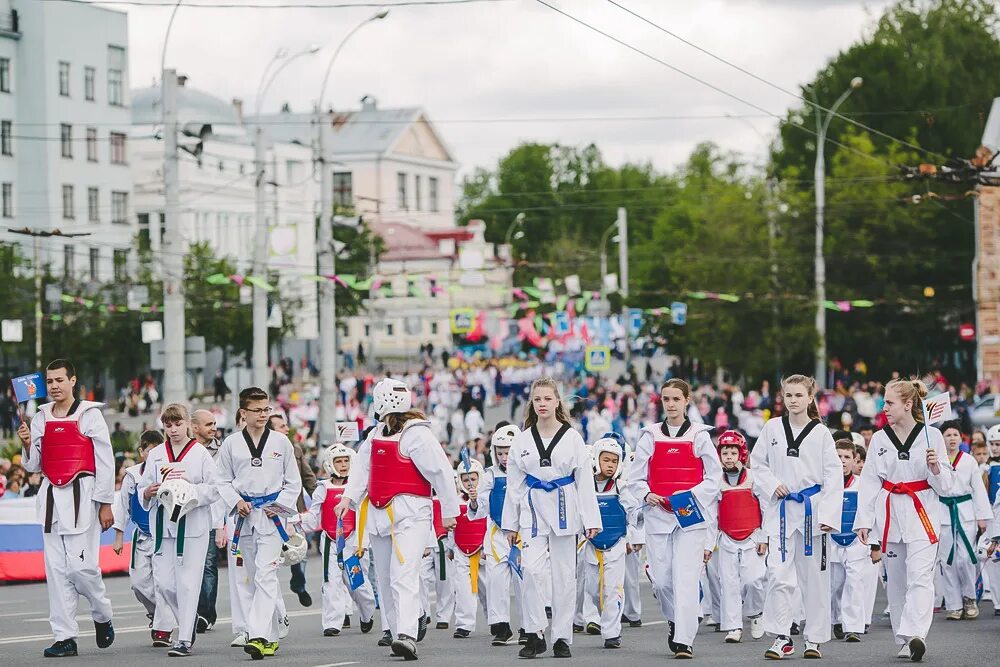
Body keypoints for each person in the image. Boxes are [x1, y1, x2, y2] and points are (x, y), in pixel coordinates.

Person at [335, 377, 461, 661]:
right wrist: (348, 498)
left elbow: (441, 472)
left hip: (411, 514)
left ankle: (407, 634)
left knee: (403, 574)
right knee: (385, 576)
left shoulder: (418, 435)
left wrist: (450, 511)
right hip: (379, 513)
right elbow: (362, 468)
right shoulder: (376, 432)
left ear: (383, 402)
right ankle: (393, 630)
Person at [17, 359, 116, 658]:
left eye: (60, 380)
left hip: (82, 496)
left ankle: (102, 613)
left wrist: (106, 503)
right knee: (57, 572)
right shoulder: (40, 417)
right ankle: (65, 636)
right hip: (50, 499)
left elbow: (105, 461)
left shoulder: (90, 415)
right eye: (50, 381)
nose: (54, 386)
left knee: (81, 568)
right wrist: (25, 444)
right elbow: (34, 465)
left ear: (73, 381)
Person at [854, 379, 954, 662]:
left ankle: (916, 634)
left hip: (922, 515)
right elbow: (870, 484)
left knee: (921, 577)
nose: (884, 408)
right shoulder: (880, 439)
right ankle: (903, 637)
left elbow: (946, 486)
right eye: (884, 402)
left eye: (889, 403)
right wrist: (864, 522)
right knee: (896, 582)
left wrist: (935, 467)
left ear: (908, 405)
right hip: (890, 516)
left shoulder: (932, 436)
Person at [502, 376, 602, 659]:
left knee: (564, 577)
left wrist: (590, 519)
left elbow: (584, 481)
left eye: (547, 398)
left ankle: (561, 636)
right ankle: (534, 633)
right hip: (532, 511)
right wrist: (510, 523)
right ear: (531, 404)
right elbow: (514, 484)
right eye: (537, 399)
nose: (542, 404)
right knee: (531, 572)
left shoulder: (572, 437)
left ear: (557, 401)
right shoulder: (522, 439)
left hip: (564, 506)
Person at [626, 378, 721, 659]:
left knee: (686, 577)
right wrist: (646, 495)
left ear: (686, 400)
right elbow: (635, 478)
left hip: (689, 513)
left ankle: (684, 640)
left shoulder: (700, 435)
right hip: (658, 514)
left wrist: (688, 496)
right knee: (662, 581)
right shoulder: (650, 435)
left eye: (676, 399)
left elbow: (713, 478)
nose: (671, 404)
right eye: (666, 399)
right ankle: (674, 619)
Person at [750, 374, 843, 660]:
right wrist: (769, 484)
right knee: (778, 575)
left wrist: (829, 513)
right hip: (781, 510)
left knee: (814, 577)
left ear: (810, 398)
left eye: (799, 395)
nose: (793, 400)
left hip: (812, 511)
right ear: (782, 397)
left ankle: (813, 639)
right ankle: (782, 636)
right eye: (788, 395)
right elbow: (757, 463)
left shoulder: (821, 433)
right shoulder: (772, 428)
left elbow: (833, 474)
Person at [216, 387, 303, 660]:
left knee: (266, 574)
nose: (264, 414)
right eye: (258, 410)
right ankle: (271, 637)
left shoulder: (280, 442)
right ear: (243, 412)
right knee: (255, 578)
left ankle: (256, 635)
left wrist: (278, 507)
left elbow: (294, 483)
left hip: (272, 515)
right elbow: (221, 480)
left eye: (267, 409)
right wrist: (235, 501)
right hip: (244, 515)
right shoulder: (231, 444)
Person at [137, 403, 220, 657]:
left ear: (187, 425)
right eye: (168, 425)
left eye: (178, 424)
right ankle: (188, 619)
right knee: (164, 584)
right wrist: (148, 492)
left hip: (193, 526)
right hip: (164, 526)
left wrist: (189, 491)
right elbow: (143, 490)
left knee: (187, 583)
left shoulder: (200, 454)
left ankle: (184, 638)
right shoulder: (156, 454)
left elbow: (215, 488)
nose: (173, 430)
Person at [297, 443, 376, 636]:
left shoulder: (358, 487)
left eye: (346, 460)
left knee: (356, 583)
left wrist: (363, 542)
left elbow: (366, 515)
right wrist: (295, 520)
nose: (343, 465)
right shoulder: (322, 488)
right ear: (330, 464)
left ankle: (367, 614)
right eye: (338, 461)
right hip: (330, 540)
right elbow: (313, 516)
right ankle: (332, 623)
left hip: (353, 540)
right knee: (330, 581)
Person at [111, 430, 173, 646]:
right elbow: (123, 508)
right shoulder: (133, 475)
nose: (155, 454)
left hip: (163, 536)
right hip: (141, 536)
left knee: (163, 583)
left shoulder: (169, 473)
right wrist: (119, 537)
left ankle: (162, 629)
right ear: (141, 452)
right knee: (139, 584)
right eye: (150, 451)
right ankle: (157, 613)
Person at [467, 424, 523, 646]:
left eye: (508, 452)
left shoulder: (527, 474)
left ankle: (529, 626)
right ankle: (501, 627)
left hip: (522, 535)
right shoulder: (489, 475)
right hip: (497, 534)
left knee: (524, 582)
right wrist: (473, 498)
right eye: (500, 452)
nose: (504, 457)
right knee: (496, 582)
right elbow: (481, 507)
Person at [712, 430, 766, 644]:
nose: (729, 457)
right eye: (725, 453)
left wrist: (764, 537)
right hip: (726, 538)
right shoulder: (716, 480)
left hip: (752, 536)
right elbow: (711, 512)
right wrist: (709, 544)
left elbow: (766, 508)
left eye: (733, 453)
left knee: (754, 580)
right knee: (729, 583)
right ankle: (733, 626)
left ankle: (756, 613)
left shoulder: (753, 478)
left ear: (742, 454)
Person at [937, 420, 991, 620]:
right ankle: (953, 604)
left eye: (955, 435)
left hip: (965, 511)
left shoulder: (969, 461)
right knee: (947, 560)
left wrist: (983, 517)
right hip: (943, 512)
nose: (951, 438)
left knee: (966, 558)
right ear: (941, 438)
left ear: (961, 438)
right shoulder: (938, 461)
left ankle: (969, 597)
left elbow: (978, 489)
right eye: (948, 435)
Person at [829, 438, 879, 643]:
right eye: (838, 457)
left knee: (855, 583)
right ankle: (836, 620)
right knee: (834, 585)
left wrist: (875, 544)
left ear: (855, 459)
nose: (842, 461)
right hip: (832, 541)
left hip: (857, 541)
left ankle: (854, 627)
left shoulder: (863, 485)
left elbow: (872, 514)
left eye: (846, 457)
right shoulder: (826, 484)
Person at [583, 437, 630, 649]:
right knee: (593, 589)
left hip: (617, 543)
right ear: (596, 459)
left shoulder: (621, 487)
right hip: (591, 545)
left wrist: (634, 539)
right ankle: (598, 616)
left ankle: (612, 633)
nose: (610, 465)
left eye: (614, 461)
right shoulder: (584, 486)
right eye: (606, 460)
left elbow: (633, 513)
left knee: (613, 589)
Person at [269, 412, 317, 608]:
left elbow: (308, 477)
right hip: (269, 510)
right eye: (281, 426)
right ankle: (270, 596)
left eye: (286, 425)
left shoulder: (295, 449)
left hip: (294, 510)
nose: (287, 429)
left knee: (299, 550)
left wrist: (320, 498)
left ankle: (299, 584)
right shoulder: (263, 453)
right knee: (271, 554)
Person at [191, 409, 226, 635]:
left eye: (214, 424)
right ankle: (190, 612)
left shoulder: (222, 452)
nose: (214, 428)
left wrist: (221, 524)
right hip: (190, 516)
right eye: (208, 424)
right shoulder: (186, 451)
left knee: (207, 566)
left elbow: (222, 490)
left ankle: (205, 614)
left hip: (213, 516)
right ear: (195, 428)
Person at [452, 460, 489, 638]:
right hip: (461, 550)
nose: (470, 483)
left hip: (483, 550)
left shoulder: (486, 499)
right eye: (466, 480)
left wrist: (488, 547)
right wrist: (451, 547)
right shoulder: (454, 501)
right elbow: (452, 526)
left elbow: (491, 525)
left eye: (473, 479)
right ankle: (464, 624)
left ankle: (496, 621)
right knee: (463, 589)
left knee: (489, 589)